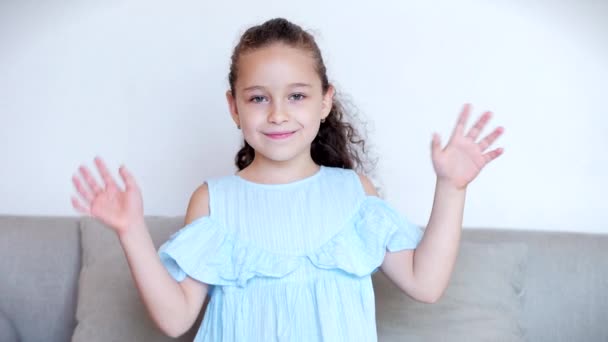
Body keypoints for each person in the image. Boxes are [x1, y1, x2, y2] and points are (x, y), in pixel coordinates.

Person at [71, 17, 504, 342]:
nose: (277, 113)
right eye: (259, 98)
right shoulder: (213, 201)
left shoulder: (352, 193)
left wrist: (452, 188)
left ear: (324, 101)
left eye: (297, 95)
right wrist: (131, 232)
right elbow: (175, 318)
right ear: (234, 107)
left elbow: (425, 284)